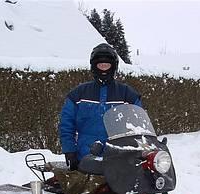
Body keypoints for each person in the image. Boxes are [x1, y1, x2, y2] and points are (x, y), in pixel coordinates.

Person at [59, 43, 142, 171]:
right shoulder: (78, 94)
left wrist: (138, 149)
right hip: (86, 158)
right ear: (94, 66)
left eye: (107, 65)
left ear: (113, 67)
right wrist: (69, 149)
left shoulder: (127, 94)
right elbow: (66, 124)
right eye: (100, 65)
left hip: (119, 157)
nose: (104, 68)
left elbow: (138, 126)